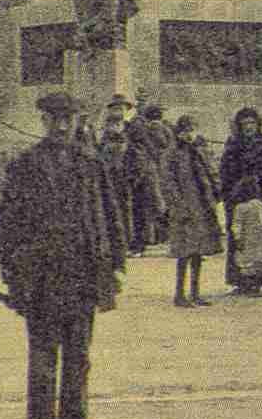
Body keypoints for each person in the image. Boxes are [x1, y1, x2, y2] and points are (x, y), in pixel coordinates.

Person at [0, 91, 127, 419]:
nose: (61, 125)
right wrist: (12, 274)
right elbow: (8, 225)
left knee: (79, 358)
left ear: (77, 121)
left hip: (83, 276)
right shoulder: (25, 166)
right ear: (44, 121)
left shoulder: (92, 165)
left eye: (67, 118)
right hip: (41, 280)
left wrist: (117, 264)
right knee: (41, 360)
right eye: (54, 119)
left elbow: (110, 214)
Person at [163, 114, 223, 307]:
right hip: (184, 207)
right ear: (178, 132)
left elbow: (209, 173)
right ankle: (179, 295)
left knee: (199, 252)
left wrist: (214, 194)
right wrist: (178, 205)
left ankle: (195, 293)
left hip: (200, 206)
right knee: (184, 253)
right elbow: (168, 183)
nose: (188, 135)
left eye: (191, 130)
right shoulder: (171, 153)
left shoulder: (196, 151)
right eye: (185, 131)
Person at [218, 107, 262, 294]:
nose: (248, 127)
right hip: (237, 199)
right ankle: (242, 281)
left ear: (258, 125)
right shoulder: (232, 147)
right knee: (239, 239)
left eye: (252, 123)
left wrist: (259, 180)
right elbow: (225, 173)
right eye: (244, 124)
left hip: (261, 197)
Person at [126, 103, 172, 248]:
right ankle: (155, 238)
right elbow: (162, 143)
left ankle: (155, 238)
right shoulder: (149, 127)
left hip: (153, 170)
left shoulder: (141, 126)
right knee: (156, 204)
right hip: (150, 171)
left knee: (153, 204)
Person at [96, 95, 138, 255]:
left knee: (127, 208)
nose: (118, 111)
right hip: (109, 174)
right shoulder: (106, 129)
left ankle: (127, 242)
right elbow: (101, 150)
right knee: (110, 208)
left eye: (121, 108)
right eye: (115, 108)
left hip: (126, 174)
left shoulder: (129, 127)